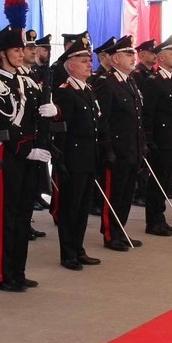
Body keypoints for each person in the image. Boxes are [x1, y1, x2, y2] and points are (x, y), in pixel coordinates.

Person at [0, 20, 53, 291]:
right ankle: (1, 274)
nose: (21, 53)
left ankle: (18, 271)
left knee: (23, 216)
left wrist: (49, 113)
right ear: (2, 53)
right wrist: (25, 148)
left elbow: (34, 118)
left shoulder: (28, 81)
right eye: (15, 49)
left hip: (30, 155)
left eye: (22, 49)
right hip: (7, 155)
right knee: (6, 217)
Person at [52, 32, 106, 268]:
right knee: (70, 208)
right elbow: (61, 129)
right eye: (83, 61)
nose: (89, 64)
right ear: (70, 65)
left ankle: (79, 247)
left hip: (88, 156)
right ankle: (68, 253)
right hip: (72, 157)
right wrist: (60, 159)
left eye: (89, 60)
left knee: (83, 207)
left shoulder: (87, 89)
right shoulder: (65, 91)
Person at [96, 35, 144, 250]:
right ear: (115, 59)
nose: (133, 58)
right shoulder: (107, 83)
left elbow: (137, 118)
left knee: (126, 194)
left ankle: (121, 230)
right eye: (128, 54)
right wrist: (107, 148)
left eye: (133, 54)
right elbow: (103, 119)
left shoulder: (130, 81)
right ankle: (110, 234)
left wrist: (141, 145)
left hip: (132, 148)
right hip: (116, 148)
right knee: (113, 194)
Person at [142, 35, 172, 233]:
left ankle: (161, 218)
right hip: (160, 139)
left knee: (166, 180)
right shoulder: (154, 81)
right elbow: (149, 113)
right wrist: (150, 138)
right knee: (157, 181)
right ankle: (153, 221)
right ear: (160, 57)